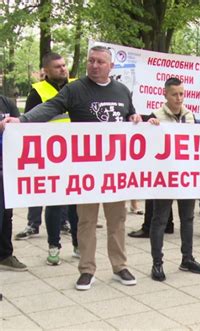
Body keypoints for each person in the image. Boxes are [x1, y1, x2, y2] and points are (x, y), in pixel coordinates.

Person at [2, 45, 142, 290]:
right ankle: (87, 269)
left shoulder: (122, 90)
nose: (94, 65)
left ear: (111, 66)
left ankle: (120, 266)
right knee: (86, 221)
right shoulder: (76, 89)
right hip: (85, 170)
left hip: (115, 170)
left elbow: (130, 115)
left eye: (100, 62)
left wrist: (136, 118)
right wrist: (22, 120)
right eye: (91, 61)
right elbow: (50, 107)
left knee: (117, 220)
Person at [13, 52, 79, 266]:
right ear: (46, 71)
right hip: (52, 158)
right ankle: (54, 246)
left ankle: (79, 244)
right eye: (57, 66)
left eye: (64, 65)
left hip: (78, 154)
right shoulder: (38, 92)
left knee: (76, 204)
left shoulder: (77, 86)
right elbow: (29, 127)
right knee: (54, 203)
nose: (63, 69)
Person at [149, 77, 200, 281]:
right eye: (175, 94)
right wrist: (150, 127)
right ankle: (157, 263)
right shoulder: (155, 116)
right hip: (164, 177)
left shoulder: (189, 115)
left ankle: (187, 258)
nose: (179, 98)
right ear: (165, 94)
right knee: (160, 219)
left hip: (186, 176)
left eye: (182, 94)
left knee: (188, 218)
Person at [0, 95, 27, 272]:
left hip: (6, 168)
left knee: (6, 214)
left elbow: (19, 126)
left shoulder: (6, 102)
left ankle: (5, 255)